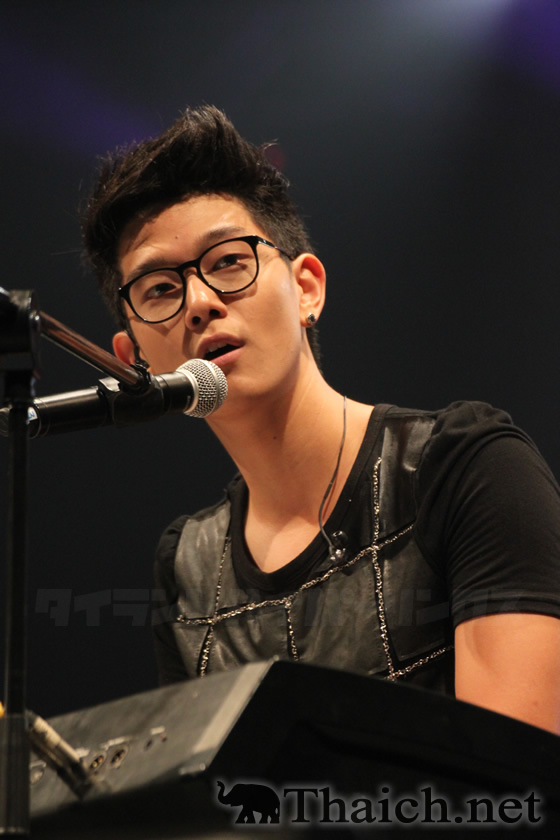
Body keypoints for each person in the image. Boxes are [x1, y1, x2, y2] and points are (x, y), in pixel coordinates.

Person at [82, 105, 560, 734]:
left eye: (227, 261)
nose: (199, 302)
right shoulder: (185, 568)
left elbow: (516, 776)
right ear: (133, 361)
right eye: (160, 290)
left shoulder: (466, 468)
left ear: (306, 288)